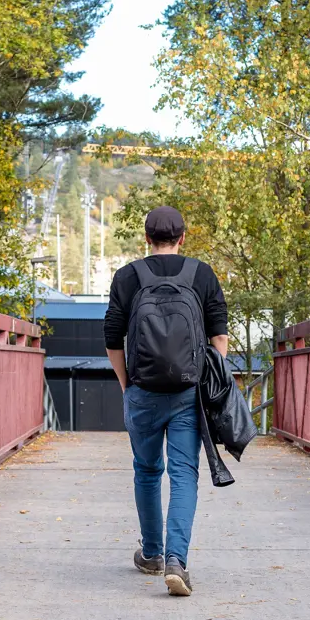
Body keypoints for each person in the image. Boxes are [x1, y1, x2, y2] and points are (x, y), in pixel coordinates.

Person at [104, 206, 229, 596]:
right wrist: (209, 383)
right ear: (182, 237)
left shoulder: (127, 276)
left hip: (142, 390)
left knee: (146, 470)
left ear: (146, 238)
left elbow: (112, 338)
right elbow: (219, 336)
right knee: (184, 474)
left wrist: (126, 384)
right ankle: (177, 560)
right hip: (188, 392)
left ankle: (152, 554)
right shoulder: (201, 274)